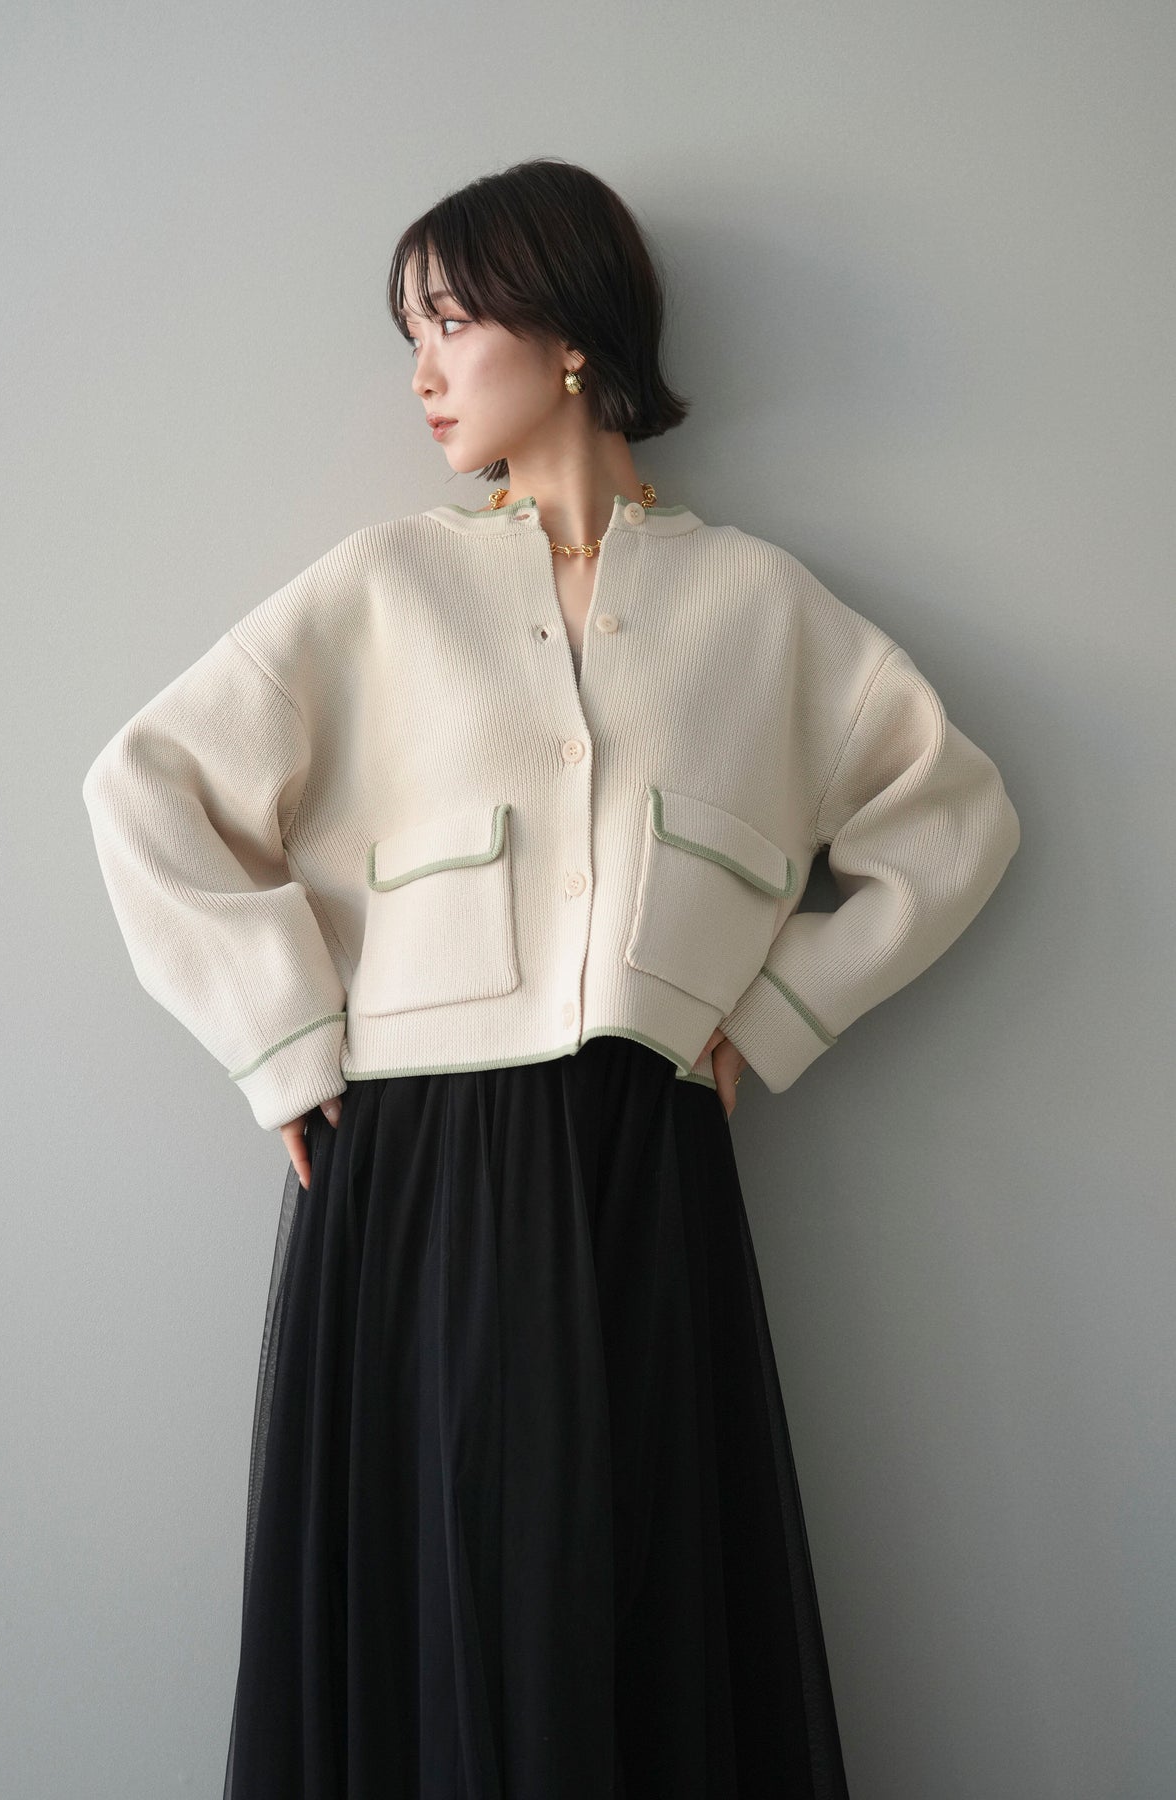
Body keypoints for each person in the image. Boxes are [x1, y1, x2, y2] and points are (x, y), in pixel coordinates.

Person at [81, 157, 1021, 1799]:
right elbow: (145, 786)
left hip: (639, 1157)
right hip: (413, 1161)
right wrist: (281, 1041)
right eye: (410, 336)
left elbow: (954, 823)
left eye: (450, 322)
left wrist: (769, 1019)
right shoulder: (383, 587)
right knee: (447, 1587)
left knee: (628, 1585)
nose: (422, 373)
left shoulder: (757, 608)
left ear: (569, 333)